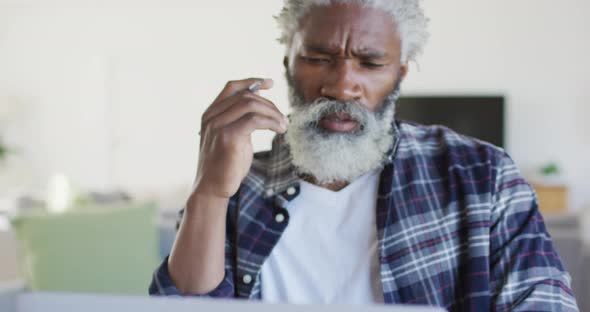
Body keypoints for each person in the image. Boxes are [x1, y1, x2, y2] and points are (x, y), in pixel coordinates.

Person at [149, 1, 579, 310]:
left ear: (400, 72)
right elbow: (182, 306)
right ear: (288, 63)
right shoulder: (239, 181)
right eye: (318, 58)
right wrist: (209, 190)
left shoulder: (483, 178)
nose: (341, 86)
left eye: (370, 64)